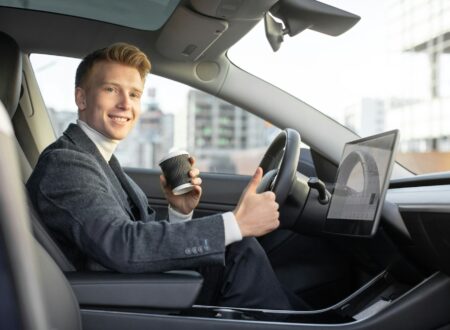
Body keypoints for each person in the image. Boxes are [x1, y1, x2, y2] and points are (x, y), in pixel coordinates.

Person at [26, 43, 293, 310]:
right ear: (81, 98)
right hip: (116, 299)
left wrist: (179, 213)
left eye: (134, 94)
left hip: (137, 283)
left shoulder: (101, 160)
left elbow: (138, 235)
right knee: (240, 250)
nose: (125, 104)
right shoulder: (67, 163)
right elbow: (122, 246)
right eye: (111, 89)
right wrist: (236, 224)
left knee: (239, 252)